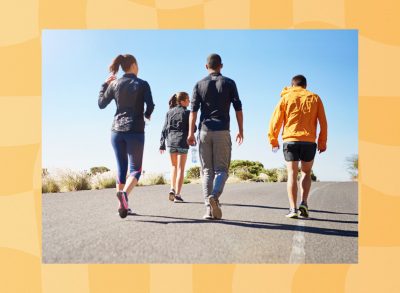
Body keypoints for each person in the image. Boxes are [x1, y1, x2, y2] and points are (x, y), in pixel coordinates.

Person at [187, 53, 244, 220]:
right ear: (221, 65)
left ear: (206, 67)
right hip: (222, 130)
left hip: (204, 131)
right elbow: (238, 108)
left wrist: (191, 132)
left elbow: (193, 112)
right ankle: (215, 196)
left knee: (206, 171)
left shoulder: (199, 84)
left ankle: (208, 210)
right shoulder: (229, 83)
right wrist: (241, 129)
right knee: (221, 170)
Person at [98, 54, 155, 218]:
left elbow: (101, 104)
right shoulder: (142, 83)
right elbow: (150, 105)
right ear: (134, 65)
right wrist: (147, 115)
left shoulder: (114, 83)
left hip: (116, 132)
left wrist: (105, 84)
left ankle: (122, 207)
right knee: (135, 170)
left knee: (121, 169)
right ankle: (124, 196)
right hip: (135, 130)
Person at [268, 75, 327, 219]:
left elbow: (275, 121)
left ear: (292, 85)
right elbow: (323, 122)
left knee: (292, 174)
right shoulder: (315, 98)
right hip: (309, 141)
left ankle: (293, 209)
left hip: (290, 140)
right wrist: (322, 142)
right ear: (305, 85)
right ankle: (304, 203)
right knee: (306, 173)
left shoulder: (285, 98)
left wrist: (273, 140)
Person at [160, 92, 194, 203]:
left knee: (173, 167)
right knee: (181, 169)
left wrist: (162, 144)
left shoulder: (169, 112)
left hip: (171, 142)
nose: (189, 101)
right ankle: (178, 195)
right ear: (182, 101)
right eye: (188, 99)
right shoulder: (188, 113)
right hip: (182, 142)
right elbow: (193, 128)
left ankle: (172, 188)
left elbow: (164, 129)